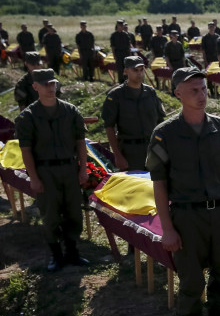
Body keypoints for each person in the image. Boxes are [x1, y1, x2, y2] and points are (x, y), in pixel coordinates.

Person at [146, 67, 220, 316]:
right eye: (193, 90)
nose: (201, 95)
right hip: (186, 217)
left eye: (204, 89)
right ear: (177, 93)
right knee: (191, 279)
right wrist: (167, 228)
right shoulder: (164, 135)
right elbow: (159, 184)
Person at [14, 69, 89, 272]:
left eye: (53, 83)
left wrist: (83, 169)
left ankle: (73, 252)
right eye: (45, 84)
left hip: (69, 169)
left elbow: (80, 142)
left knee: (74, 211)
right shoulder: (28, 116)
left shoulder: (70, 111)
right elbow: (26, 150)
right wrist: (34, 178)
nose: (50, 88)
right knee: (50, 214)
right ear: (35, 87)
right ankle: (56, 255)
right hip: (45, 172)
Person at [102, 56, 165, 171]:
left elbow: (161, 122)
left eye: (142, 70)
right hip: (130, 151)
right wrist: (117, 155)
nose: (140, 74)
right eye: (135, 70)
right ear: (126, 71)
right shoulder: (116, 96)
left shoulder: (150, 92)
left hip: (153, 148)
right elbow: (109, 127)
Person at [110, 19, 131, 84]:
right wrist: (114, 55)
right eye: (120, 25)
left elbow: (128, 46)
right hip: (118, 53)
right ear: (117, 26)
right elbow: (113, 46)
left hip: (125, 53)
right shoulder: (114, 35)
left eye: (122, 25)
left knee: (126, 68)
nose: (122, 27)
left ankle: (127, 81)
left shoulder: (126, 34)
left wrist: (129, 55)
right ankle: (121, 82)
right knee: (120, 69)